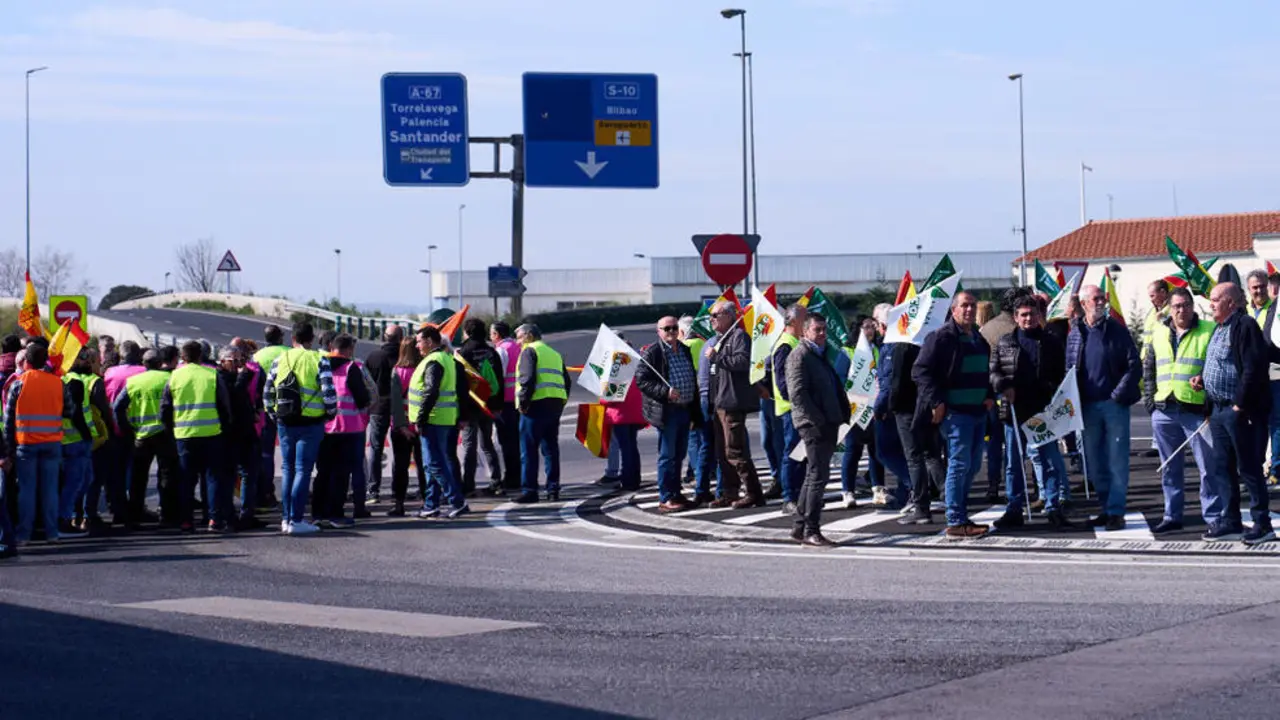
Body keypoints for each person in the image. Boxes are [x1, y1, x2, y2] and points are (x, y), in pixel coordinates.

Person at [913, 291, 994, 539]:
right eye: (964, 305)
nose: (969, 310)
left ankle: (960, 513)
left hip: (978, 411)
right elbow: (920, 371)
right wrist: (937, 401)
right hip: (955, 414)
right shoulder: (941, 337)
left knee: (972, 466)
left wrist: (989, 394)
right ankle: (955, 520)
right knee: (959, 465)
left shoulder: (977, 338)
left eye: (972, 305)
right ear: (954, 309)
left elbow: (984, 371)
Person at [1203, 283, 1275, 544]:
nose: (1211, 304)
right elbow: (1220, 363)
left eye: (1215, 299)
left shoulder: (1245, 326)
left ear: (1231, 302)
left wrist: (1239, 405)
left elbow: (1253, 367)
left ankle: (1262, 523)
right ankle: (1231, 520)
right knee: (1223, 467)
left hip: (1239, 411)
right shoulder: (1219, 327)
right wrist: (1202, 379)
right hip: (1218, 409)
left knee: (1249, 468)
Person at [989, 295, 1071, 529]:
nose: (1028, 318)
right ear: (1016, 318)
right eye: (1023, 315)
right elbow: (993, 371)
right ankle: (1014, 509)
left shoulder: (1051, 342)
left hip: (1042, 411)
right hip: (1014, 410)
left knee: (1049, 461)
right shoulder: (1005, 342)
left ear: (1039, 315)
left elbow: (1061, 374)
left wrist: (1051, 390)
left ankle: (1053, 507)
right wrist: (1003, 385)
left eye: (1032, 314)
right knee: (1014, 464)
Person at [1066, 284, 1141, 531]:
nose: (1101, 302)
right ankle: (1106, 507)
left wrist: (1117, 394)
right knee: (1094, 461)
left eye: (1102, 298)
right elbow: (1069, 368)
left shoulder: (1117, 330)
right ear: (1084, 304)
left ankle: (1116, 512)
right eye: (1095, 299)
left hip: (1113, 405)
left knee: (1116, 460)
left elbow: (1134, 365)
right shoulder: (1076, 332)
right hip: (1087, 406)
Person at [1142, 287, 1216, 534]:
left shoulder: (1208, 330)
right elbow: (1149, 368)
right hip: (1164, 409)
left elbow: (1218, 364)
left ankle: (1214, 517)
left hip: (1196, 410)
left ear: (1192, 307)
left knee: (1208, 467)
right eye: (1176, 306)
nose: (1181, 310)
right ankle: (1171, 515)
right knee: (1169, 468)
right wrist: (1151, 403)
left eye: (1185, 305)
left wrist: (1206, 385)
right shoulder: (1159, 331)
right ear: (1170, 308)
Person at [264, 321, 338, 535]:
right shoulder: (318, 359)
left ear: (293, 339)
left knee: (287, 469)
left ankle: (286, 519)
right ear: (312, 339)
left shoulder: (281, 359)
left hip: (285, 421)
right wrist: (330, 413)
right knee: (303, 470)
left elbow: (268, 392)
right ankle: (296, 519)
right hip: (310, 422)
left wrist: (273, 415)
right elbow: (328, 393)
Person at [786, 314, 850, 547]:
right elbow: (797, 394)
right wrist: (818, 421)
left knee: (814, 475)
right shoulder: (800, 355)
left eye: (824, 329)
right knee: (817, 477)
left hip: (827, 422)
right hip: (814, 425)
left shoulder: (818, 354)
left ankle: (799, 526)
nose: (822, 333)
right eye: (817, 329)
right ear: (805, 331)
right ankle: (811, 530)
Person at [162, 341, 234, 532]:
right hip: (212, 433)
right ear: (200, 355)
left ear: (183, 357)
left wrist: (170, 431)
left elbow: (165, 408)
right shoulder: (212, 374)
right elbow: (224, 406)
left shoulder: (174, 376)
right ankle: (214, 519)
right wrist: (225, 428)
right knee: (212, 478)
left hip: (184, 435)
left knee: (186, 479)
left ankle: (186, 521)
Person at [5, 343, 71, 544]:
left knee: (27, 490)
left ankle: (24, 534)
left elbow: (8, 420)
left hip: (26, 444)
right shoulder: (58, 383)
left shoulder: (18, 384)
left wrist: (8, 449)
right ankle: (52, 533)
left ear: (27, 362)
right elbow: (70, 410)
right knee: (50, 490)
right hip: (52, 443)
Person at [635, 315, 700, 512]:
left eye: (674, 328)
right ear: (659, 332)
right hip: (668, 410)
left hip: (685, 408)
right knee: (668, 455)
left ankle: (676, 492)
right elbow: (641, 380)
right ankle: (666, 497)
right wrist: (665, 392)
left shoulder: (684, 349)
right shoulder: (653, 352)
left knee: (679, 454)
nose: (671, 332)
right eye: (667, 329)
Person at [706, 300, 765, 508]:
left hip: (731, 402)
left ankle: (753, 492)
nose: (711, 319)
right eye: (711, 315)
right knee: (722, 452)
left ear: (730, 316)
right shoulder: (720, 339)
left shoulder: (739, 336)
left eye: (716, 315)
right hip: (719, 403)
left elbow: (742, 362)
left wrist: (717, 357)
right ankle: (730, 492)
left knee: (735, 450)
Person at [113, 348, 179, 528]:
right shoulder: (170, 379)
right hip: (165, 433)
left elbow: (117, 407)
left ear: (144, 364)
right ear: (160, 363)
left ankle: (134, 516)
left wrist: (127, 430)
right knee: (166, 474)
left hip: (141, 435)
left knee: (138, 477)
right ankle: (167, 514)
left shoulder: (134, 381)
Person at [410, 326, 468, 518]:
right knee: (432, 463)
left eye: (419, 341)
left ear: (429, 341)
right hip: (443, 417)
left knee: (434, 463)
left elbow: (430, 390)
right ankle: (431, 504)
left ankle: (457, 501)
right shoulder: (445, 358)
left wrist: (421, 418)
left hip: (433, 418)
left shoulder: (433, 361)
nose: (417, 345)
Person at [317, 334, 372, 527]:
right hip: (348, 427)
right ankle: (337, 513)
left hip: (324, 426)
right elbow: (362, 398)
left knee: (323, 471)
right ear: (349, 349)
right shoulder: (351, 367)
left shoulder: (320, 364)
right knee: (342, 473)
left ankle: (318, 512)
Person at [512, 323, 570, 504]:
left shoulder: (529, 351)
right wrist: (561, 401)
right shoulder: (554, 353)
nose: (517, 342)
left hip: (535, 405)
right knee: (550, 449)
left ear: (529, 336)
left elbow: (527, 379)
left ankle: (530, 490)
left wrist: (523, 402)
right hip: (554, 404)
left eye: (519, 337)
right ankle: (553, 489)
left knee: (529, 450)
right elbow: (566, 381)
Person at [456, 318, 504, 496]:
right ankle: (496, 481)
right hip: (489, 404)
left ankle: (469, 485)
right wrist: (497, 405)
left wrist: (461, 411)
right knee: (487, 444)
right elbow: (499, 379)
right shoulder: (491, 352)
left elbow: (460, 385)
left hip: (470, 406)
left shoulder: (463, 353)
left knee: (469, 446)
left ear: (467, 332)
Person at [771, 304, 807, 514]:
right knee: (792, 453)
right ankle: (789, 497)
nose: (807, 322)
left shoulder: (796, 342)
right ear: (793, 321)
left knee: (801, 454)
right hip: (791, 408)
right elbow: (782, 381)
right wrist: (796, 401)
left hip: (800, 408)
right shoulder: (785, 345)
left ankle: (799, 495)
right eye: (804, 318)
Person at [364, 324, 405, 503]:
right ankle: (397, 491)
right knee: (400, 450)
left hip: (378, 408)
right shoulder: (405, 357)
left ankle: (373, 491)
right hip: (399, 409)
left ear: (384, 337)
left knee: (375, 448)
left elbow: (366, 382)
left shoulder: (374, 356)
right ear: (401, 338)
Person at [253, 324, 288, 510]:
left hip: (265, 408)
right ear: (280, 337)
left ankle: (266, 492)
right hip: (288, 407)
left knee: (266, 453)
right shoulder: (288, 352)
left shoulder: (257, 356)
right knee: (291, 453)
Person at [387, 337, 424, 516]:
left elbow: (395, 403)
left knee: (400, 466)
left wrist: (402, 426)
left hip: (401, 427)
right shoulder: (422, 369)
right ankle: (427, 501)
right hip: (420, 425)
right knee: (423, 465)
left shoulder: (397, 372)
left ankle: (398, 503)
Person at [489, 321, 523, 493]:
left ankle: (511, 477)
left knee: (507, 442)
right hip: (518, 399)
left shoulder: (502, 350)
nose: (490, 337)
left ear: (497, 335)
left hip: (506, 401)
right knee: (516, 440)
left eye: (491, 333)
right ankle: (518, 475)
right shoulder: (518, 347)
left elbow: (498, 376)